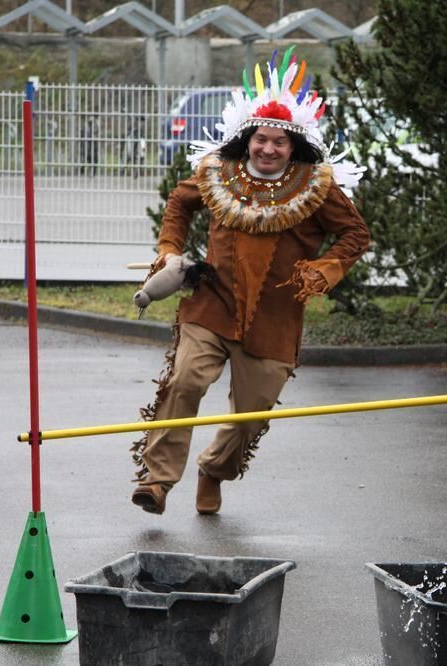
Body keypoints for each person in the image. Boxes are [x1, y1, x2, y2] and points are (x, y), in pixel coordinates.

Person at [129, 48, 370, 516]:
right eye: (261, 139)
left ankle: (213, 470)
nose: (268, 149)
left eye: (279, 142)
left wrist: (328, 268)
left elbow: (356, 234)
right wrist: (169, 252)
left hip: (275, 321)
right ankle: (156, 481)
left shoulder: (317, 186)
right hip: (211, 305)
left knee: (251, 415)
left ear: (293, 146)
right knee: (183, 381)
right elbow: (178, 204)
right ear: (248, 138)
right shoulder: (219, 173)